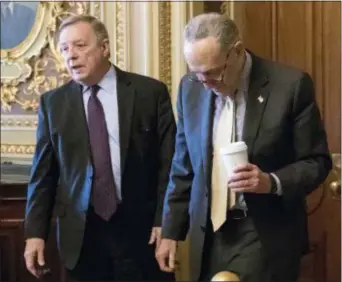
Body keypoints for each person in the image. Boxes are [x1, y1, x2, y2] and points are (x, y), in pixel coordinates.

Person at [156, 13, 332, 282]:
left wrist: (270, 181)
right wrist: (171, 231)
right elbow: (184, 166)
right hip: (208, 233)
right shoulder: (190, 88)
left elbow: (317, 161)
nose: (205, 83)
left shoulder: (290, 86)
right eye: (196, 73)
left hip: (262, 230)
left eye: (213, 73)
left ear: (237, 51)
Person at [23, 15, 176, 282]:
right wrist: (34, 234)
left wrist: (166, 222)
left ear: (104, 48)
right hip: (82, 238)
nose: (71, 56)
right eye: (64, 49)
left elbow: (170, 165)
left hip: (140, 233)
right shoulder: (53, 104)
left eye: (80, 45)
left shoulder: (149, 93)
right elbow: (43, 175)